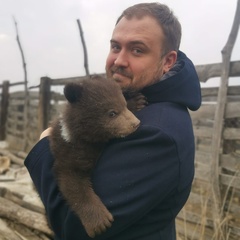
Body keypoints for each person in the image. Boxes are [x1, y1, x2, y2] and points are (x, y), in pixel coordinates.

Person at [25, 2, 201, 240]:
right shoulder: (140, 99)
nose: (119, 60)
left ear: (168, 61)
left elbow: (72, 227)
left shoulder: (157, 134)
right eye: (115, 46)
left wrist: (44, 148)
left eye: (137, 50)